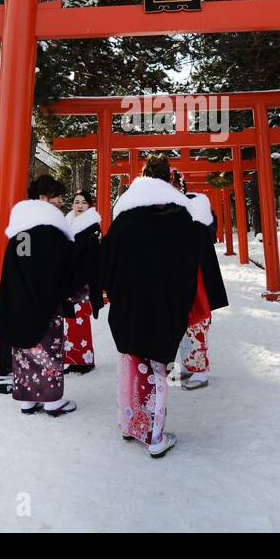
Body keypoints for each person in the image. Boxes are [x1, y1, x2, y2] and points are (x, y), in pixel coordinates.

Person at [99, 155, 219, 458]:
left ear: (141, 177)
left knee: (129, 366)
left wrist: (115, 292)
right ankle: (154, 436)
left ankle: (129, 424)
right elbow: (196, 259)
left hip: (128, 305)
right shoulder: (181, 217)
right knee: (156, 370)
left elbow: (105, 264)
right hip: (164, 305)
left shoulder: (123, 218)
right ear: (168, 179)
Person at [0, 175, 83, 417]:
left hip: (18, 302)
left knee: (24, 351)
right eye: (57, 197)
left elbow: (21, 265)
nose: (60, 202)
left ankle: (27, 400)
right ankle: (53, 402)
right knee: (47, 350)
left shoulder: (20, 231)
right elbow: (65, 265)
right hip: (44, 303)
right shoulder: (49, 230)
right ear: (43, 197)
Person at [177, 181, 229, 391]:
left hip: (196, 277)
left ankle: (200, 371)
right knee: (182, 324)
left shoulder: (195, 207)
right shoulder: (180, 208)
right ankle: (190, 365)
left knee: (197, 322)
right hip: (183, 276)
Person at [62, 190, 104, 374]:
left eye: (84, 203)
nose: (79, 205)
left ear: (90, 206)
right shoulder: (67, 223)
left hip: (83, 283)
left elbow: (93, 258)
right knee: (71, 322)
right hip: (70, 281)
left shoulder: (92, 227)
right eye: (76, 201)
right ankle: (73, 360)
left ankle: (86, 361)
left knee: (80, 322)